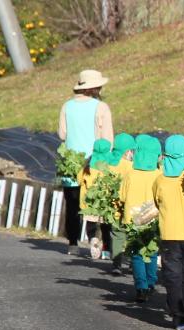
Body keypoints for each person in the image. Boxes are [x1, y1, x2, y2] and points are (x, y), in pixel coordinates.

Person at [58, 69, 113, 255]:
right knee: (99, 204)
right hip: (95, 163)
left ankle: (73, 243)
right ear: (95, 88)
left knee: (73, 204)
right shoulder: (101, 107)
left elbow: (62, 134)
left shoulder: (67, 106)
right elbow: (108, 139)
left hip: (72, 163)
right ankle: (102, 245)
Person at [153, 134, 184, 330]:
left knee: (172, 273)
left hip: (170, 233)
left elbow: (157, 202)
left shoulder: (160, 180)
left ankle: (177, 314)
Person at [119, 134, 161, 302]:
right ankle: (151, 283)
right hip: (153, 219)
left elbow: (122, 196)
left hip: (133, 219)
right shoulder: (159, 174)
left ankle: (141, 287)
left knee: (136, 253)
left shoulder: (130, 173)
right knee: (151, 251)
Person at [77, 138, 113, 260]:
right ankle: (106, 251)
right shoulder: (109, 166)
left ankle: (93, 239)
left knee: (91, 225)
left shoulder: (88, 165)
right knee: (106, 227)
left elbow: (78, 180)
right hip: (105, 203)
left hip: (89, 204)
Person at [106, 133, 137, 274]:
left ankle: (116, 265)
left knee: (117, 235)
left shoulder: (110, 164)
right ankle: (132, 262)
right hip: (131, 206)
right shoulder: (131, 167)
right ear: (128, 151)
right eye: (132, 150)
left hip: (114, 207)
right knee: (132, 234)